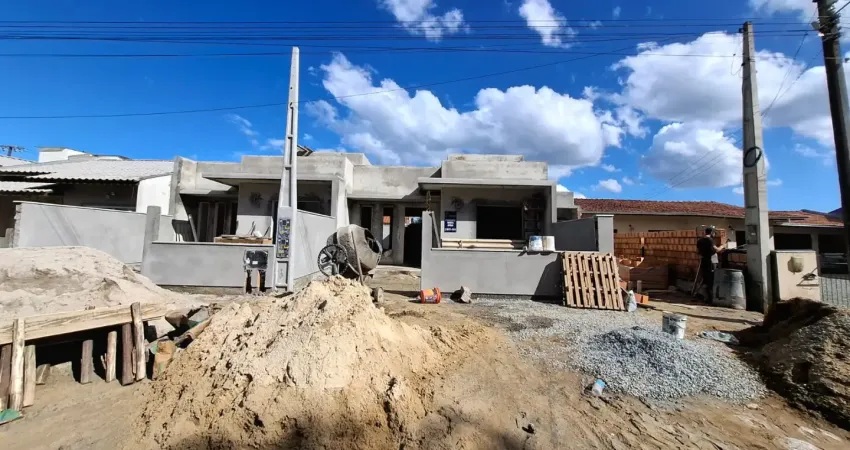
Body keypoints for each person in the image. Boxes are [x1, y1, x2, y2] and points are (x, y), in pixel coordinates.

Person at [696, 227, 725, 303]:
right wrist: (723, 246)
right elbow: (716, 250)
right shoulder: (710, 240)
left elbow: (698, 252)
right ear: (712, 233)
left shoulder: (700, 240)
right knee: (711, 279)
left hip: (703, 261)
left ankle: (706, 297)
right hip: (711, 262)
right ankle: (711, 298)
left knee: (705, 279)